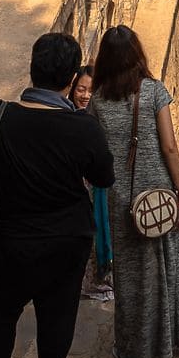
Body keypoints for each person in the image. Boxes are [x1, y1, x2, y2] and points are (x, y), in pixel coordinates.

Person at [0, 31, 113, 358]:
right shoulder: (83, 128)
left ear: (31, 70)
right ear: (72, 80)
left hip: (7, 238)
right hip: (65, 239)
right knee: (58, 311)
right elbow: (104, 176)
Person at [91, 25, 179, 358]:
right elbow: (170, 147)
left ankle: (135, 345)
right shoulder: (153, 92)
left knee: (130, 273)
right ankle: (177, 335)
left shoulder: (98, 101)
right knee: (169, 265)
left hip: (122, 197)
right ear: (137, 55)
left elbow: (97, 150)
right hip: (159, 192)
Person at [73, 68, 114, 303]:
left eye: (91, 90)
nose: (86, 95)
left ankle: (98, 280)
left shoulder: (101, 120)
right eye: (81, 89)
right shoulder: (65, 116)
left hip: (96, 188)